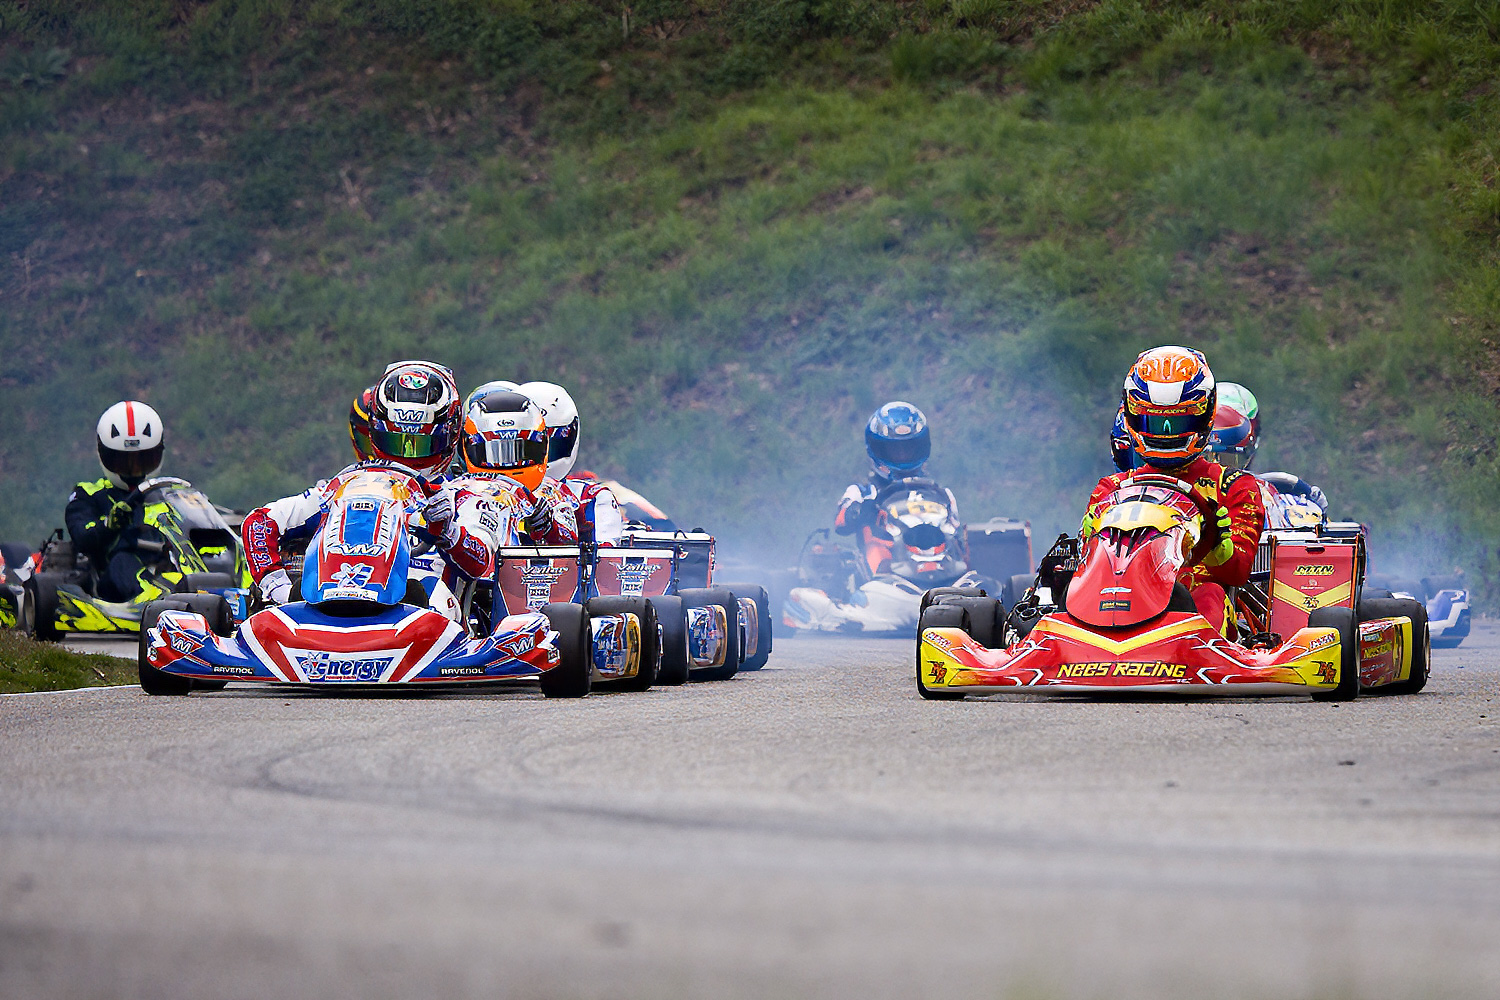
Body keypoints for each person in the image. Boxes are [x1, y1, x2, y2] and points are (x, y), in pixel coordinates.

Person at [241, 362, 499, 611]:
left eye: (419, 445)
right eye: (395, 441)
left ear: (450, 435)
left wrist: (448, 532)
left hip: (425, 617)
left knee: (426, 591)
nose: (406, 456)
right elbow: (259, 522)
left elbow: (480, 564)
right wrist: (279, 589)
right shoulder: (341, 488)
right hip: (329, 608)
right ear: (376, 432)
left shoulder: (465, 497)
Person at [1083, 347, 1265, 636]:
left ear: (1204, 416)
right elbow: (1087, 568)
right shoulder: (1111, 489)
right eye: (1155, 421)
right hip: (1115, 603)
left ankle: (1202, 653)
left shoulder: (1233, 486)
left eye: (1179, 421)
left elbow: (1237, 572)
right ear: (1132, 417)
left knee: (1209, 596)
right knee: (1070, 592)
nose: (1167, 433)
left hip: (1192, 614)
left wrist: (1214, 541)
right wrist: (1091, 538)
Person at [834, 401, 958, 576]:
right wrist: (860, 511)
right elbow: (840, 524)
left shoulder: (941, 495)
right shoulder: (862, 493)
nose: (902, 455)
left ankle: (947, 580)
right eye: (895, 449)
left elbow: (955, 532)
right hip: (883, 573)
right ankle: (884, 576)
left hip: (937, 567)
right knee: (876, 544)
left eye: (908, 449)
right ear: (878, 449)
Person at [66, 400, 172, 602]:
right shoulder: (88, 494)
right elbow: (82, 537)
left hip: (167, 567)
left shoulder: (167, 494)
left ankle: (234, 595)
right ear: (104, 455)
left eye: (143, 460)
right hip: (112, 578)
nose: (133, 469)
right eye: (123, 461)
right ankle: (155, 602)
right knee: (123, 560)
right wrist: (110, 524)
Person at [450, 383, 577, 546]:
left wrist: (550, 528)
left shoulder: (556, 493)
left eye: (520, 451)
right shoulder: (456, 492)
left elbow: (573, 548)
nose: (507, 464)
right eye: (495, 452)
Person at [518, 380, 626, 546]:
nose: (540, 456)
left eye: (549, 445)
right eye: (529, 447)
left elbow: (607, 565)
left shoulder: (590, 498)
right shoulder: (484, 496)